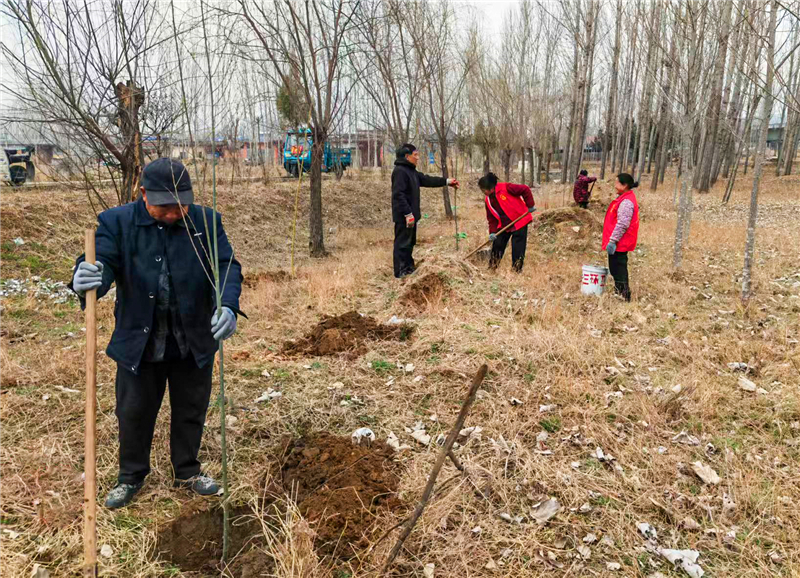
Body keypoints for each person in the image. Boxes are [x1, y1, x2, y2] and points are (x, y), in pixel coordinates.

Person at [69, 158, 244, 509]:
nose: (175, 213)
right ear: (144, 194)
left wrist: (227, 305)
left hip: (192, 338)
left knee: (191, 407)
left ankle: (187, 470)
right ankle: (131, 476)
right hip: (140, 340)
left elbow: (226, 265)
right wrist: (87, 277)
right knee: (133, 411)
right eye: (166, 206)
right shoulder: (116, 222)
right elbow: (102, 262)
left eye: (181, 205)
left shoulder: (206, 222)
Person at [391, 143, 459, 278]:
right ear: (407, 156)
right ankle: (400, 272)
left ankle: (408, 268)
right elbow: (398, 195)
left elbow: (427, 180)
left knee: (410, 243)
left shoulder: (411, 171)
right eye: (415, 155)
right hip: (404, 216)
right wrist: (407, 214)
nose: (418, 158)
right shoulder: (400, 171)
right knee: (402, 244)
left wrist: (447, 181)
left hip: (411, 216)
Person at [478, 172, 536, 273]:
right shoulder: (488, 201)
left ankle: (516, 270)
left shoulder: (506, 188)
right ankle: (492, 268)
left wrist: (530, 205)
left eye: (483, 190)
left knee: (518, 247)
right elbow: (491, 219)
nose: (483, 192)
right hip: (504, 225)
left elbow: (525, 189)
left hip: (519, 221)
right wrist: (492, 232)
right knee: (497, 244)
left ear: (490, 188)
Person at [602, 173, 639, 302]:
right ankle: (619, 292)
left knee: (619, 269)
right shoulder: (623, 198)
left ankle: (624, 295)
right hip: (618, 242)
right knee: (615, 268)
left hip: (620, 243)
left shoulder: (626, 202)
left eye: (617, 183)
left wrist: (613, 241)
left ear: (624, 185)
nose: (615, 185)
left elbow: (623, 224)